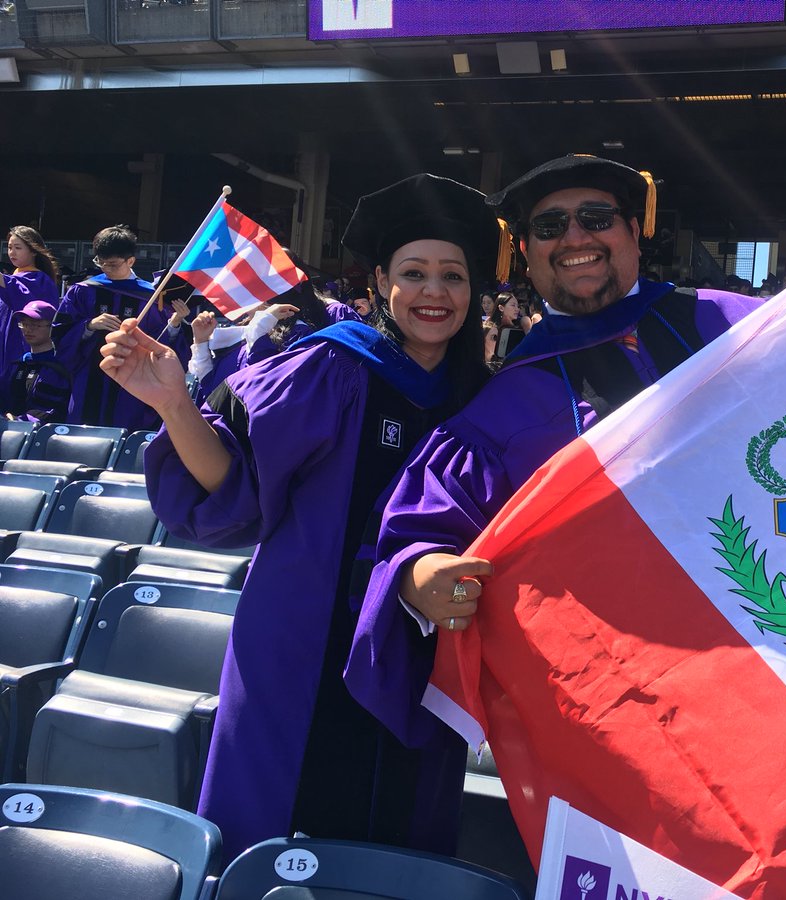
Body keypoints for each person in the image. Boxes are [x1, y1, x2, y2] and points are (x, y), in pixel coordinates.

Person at [345, 155, 786, 701]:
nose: (575, 236)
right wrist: (419, 573)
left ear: (634, 231)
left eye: (597, 217)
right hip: (642, 678)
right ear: (527, 253)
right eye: (549, 226)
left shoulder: (734, 323)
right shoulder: (510, 398)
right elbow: (426, 521)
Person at [98, 174, 502, 861]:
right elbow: (235, 485)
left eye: (453, 276)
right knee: (276, 844)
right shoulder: (330, 369)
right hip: (302, 648)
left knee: (401, 843)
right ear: (381, 281)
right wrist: (173, 404)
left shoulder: (483, 402)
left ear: (474, 292)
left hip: (423, 653)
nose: (434, 291)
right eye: (414, 272)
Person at [54, 225, 190, 428]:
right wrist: (89, 326)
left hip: (133, 382)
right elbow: (60, 332)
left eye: (113, 264)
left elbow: (161, 344)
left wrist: (175, 323)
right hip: (89, 378)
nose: (106, 268)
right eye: (101, 262)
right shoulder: (83, 291)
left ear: (130, 261)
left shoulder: (151, 298)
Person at [2, 226, 60, 375]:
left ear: (34, 251)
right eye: (9, 247)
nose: (12, 252)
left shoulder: (39, 280)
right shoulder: (16, 277)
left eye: (18, 248)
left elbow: (13, 288)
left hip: (20, 348)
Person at [1, 300, 71, 421]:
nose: (28, 330)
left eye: (35, 325)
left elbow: (51, 410)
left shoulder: (57, 369)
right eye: (24, 324)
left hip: (40, 431)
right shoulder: (18, 365)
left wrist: (20, 420)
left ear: (52, 327)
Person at [483, 290, 531, 366]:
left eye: (517, 306)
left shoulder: (522, 322)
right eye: (513, 305)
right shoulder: (490, 326)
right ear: (501, 308)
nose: (517, 309)